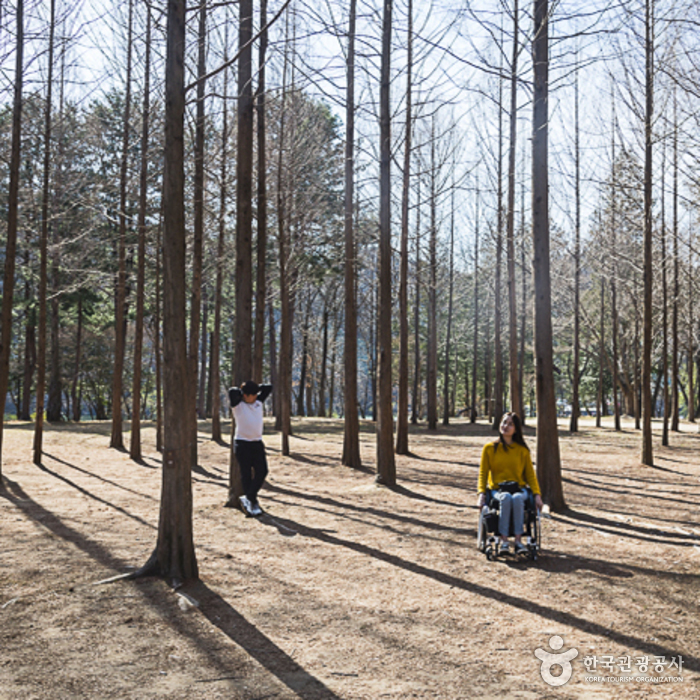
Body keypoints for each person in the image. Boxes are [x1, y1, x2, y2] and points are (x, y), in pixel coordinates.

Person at [477, 412, 543, 554]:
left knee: (517, 498)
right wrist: (481, 493)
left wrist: (537, 495)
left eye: (510, 424)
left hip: (519, 489)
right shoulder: (489, 449)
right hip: (498, 490)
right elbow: (483, 474)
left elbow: (531, 475)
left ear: (516, 429)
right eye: (504, 422)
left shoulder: (522, 451)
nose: (505, 426)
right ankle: (504, 541)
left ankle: (518, 542)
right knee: (506, 497)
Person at [228, 380, 273, 517]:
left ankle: (249, 497)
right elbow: (232, 391)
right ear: (245, 395)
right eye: (250, 395)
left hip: (257, 443)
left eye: (255, 394)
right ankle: (251, 503)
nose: (253, 397)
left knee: (262, 471)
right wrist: (243, 391)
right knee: (246, 474)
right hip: (242, 444)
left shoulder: (259, 402)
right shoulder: (238, 405)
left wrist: (255, 388)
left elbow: (268, 387)